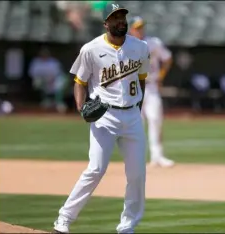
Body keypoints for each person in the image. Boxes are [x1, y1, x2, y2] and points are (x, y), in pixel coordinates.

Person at [53, 3, 150, 233]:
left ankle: (127, 227)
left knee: (137, 175)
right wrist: (81, 106)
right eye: (114, 18)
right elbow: (80, 81)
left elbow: (142, 79)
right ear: (105, 23)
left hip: (132, 117)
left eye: (122, 17)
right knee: (96, 169)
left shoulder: (140, 47)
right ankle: (64, 219)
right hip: (104, 116)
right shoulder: (91, 49)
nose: (120, 21)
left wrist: (138, 108)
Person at [128, 16, 175, 168]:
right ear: (130, 29)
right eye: (136, 27)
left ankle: (157, 157)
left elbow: (167, 58)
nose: (140, 29)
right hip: (133, 88)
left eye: (141, 26)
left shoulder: (153, 43)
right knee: (136, 124)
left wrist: (161, 76)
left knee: (155, 119)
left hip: (151, 86)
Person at [28, 47, 68, 113]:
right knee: (37, 82)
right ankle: (45, 100)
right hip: (43, 81)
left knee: (60, 82)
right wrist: (44, 79)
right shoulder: (36, 62)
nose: (44, 55)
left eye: (46, 54)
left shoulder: (53, 62)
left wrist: (51, 79)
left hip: (54, 79)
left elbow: (58, 73)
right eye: (43, 54)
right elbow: (32, 74)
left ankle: (59, 102)